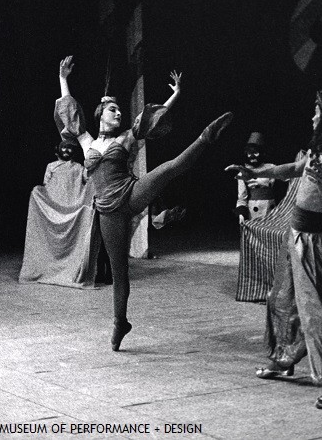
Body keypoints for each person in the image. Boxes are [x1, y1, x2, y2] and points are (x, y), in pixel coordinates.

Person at [56, 56, 233, 351]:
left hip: (131, 192)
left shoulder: (127, 137)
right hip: (107, 210)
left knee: (168, 168)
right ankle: (120, 322)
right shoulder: (87, 142)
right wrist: (63, 79)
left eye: (120, 110)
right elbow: (70, 114)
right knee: (119, 271)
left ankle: (206, 137)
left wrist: (175, 93)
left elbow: (153, 118)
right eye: (113, 110)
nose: (119, 113)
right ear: (101, 113)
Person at [226, 86, 322, 409]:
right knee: (279, 300)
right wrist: (252, 172)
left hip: (315, 243)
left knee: (317, 314)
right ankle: (284, 358)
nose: (312, 116)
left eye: (316, 111)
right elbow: (285, 170)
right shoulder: (312, 156)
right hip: (293, 237)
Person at [19, 140, 100, 288]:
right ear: (57, 150)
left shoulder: (78, 167)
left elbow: (88, 182)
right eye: (64, 147)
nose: (67, 151)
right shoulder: (51, 166)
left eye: (70, 148)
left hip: (73, 206)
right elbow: (46, 186)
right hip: (53, 206)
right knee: (36, 191)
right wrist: (41, 195)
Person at [234, 132, 276, 225]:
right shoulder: (243, 173)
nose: (252, 156)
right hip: (253, 212)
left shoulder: (271, 167)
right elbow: (241, 197)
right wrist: (241, 214)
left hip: (271, 210)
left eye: (255, 152)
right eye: (249, 153)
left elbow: (286, 179)